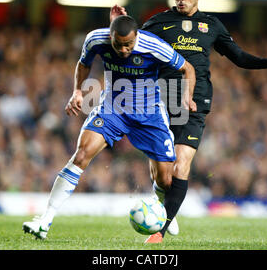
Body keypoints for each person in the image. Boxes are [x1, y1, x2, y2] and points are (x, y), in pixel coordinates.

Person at [110, 0, 267, 243]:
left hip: (196, 101)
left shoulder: (212, 25)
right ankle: (163, 208)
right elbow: (128, 44)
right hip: (162, 101)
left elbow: (239, 57)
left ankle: (160, 230)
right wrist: (117, 23)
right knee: (162, 175)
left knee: (181, 165)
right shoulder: (159, 22)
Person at [22, 15, 196, 239]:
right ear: (110, 36)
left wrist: (187, 97)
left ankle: (161, 210)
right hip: (113, 108)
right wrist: (77, 92)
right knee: (81, 154)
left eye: (128, 45)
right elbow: (83, 63)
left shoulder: (153, 45)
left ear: (137, 37)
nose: (123, 50)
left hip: (149, 114)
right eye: (118, 44)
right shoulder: (95, 39)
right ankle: (45, 220)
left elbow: (187, 68)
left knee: (165, 179)